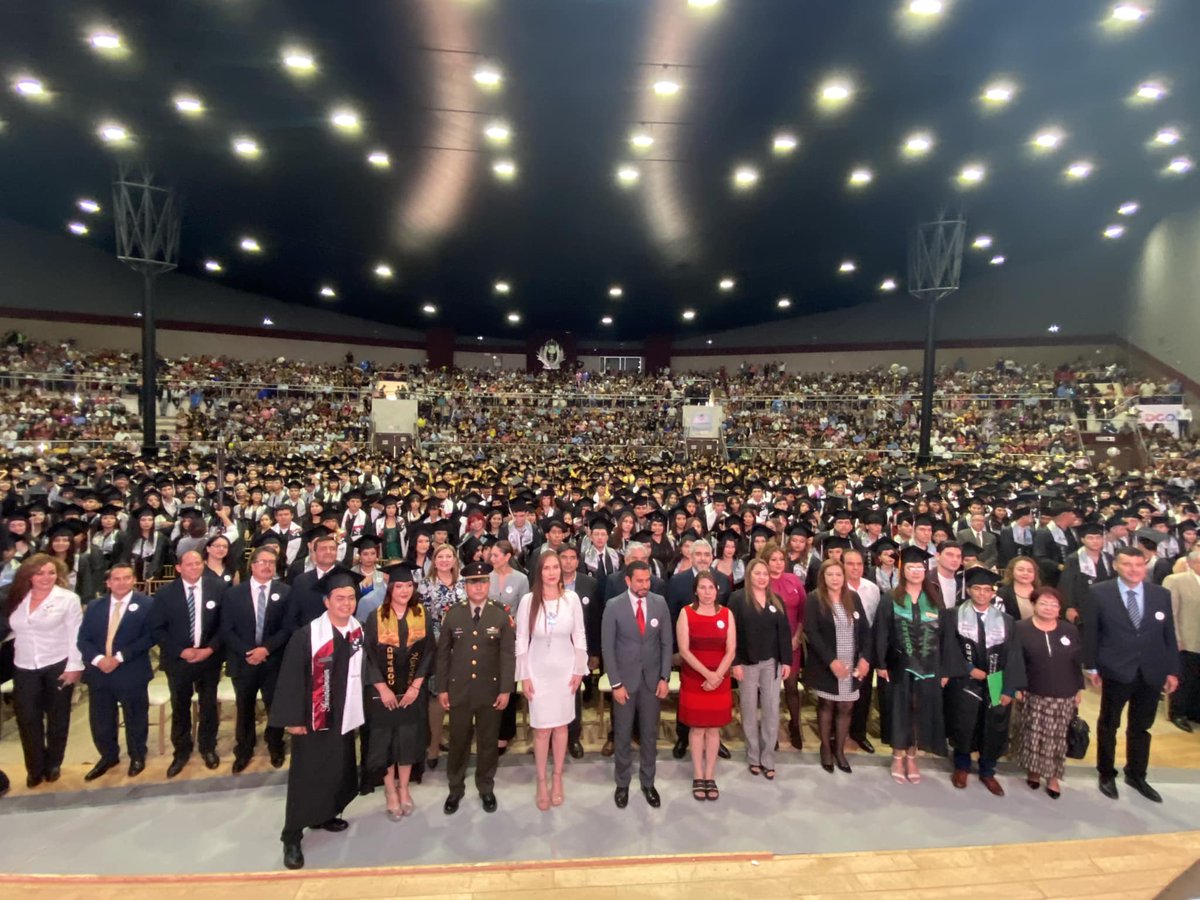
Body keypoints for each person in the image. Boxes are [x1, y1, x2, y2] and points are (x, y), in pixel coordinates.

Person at [270, 567, 366, 870]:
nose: (346, 604)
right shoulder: (308, 635)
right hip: (313, 717)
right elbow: (290, 678)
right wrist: (293, 718)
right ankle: (292, 835)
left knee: (337, 768)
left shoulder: (357, 631)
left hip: (343, 716)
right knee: (307, 774)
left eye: (351, 598)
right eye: (340, 598)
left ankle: (324, 814)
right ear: (326, 601)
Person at [1083, 545, 1181, 803]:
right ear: (1116, 565)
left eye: (1139, 565)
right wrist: (1091, 666)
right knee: (1109, 723)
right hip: (1116, 669)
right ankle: (1106, 773)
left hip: (1152, 670)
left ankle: (1136, 774)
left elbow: (1169, 635)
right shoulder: (1098, 592)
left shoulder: (1160, 594)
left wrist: (1172, 670)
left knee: (1141, 726)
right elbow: (1091, 632)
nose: (1134, 570)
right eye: (1127, 565)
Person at [436, 560, 514, 815]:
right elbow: (443, 655)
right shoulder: (453, 613)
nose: (478, 587)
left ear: (488, 584)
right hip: (459, 690)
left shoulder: (500, 614)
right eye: (472, 583)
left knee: (488, 741)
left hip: (490, 690)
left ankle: (485, 786)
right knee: (458, 740)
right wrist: (442, 688)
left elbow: (507, 655)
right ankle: (455, 787)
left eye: (482, 582)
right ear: (465, 586)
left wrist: (505, 689)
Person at [875, 546, 958, 785]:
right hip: (898, 665)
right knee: (900, 711)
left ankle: (913, 756)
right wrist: (880, 663)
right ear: (903, 570)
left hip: (930, 666)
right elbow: (881, 632)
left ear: (925, 570)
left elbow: (945, 638)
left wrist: (944, 670)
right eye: (911, 567)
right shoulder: (890, 598)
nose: (916, 571)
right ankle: (897, 755)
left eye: (920, 567)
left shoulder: (934, 599)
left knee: (920, 711)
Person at [514, 551, 588, 810]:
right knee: (542, 729)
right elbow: (521, 638)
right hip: (538, 671)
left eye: (555, 567)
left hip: (565, 671)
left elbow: (579, 634)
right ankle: (541, 780)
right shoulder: (527, 601)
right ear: (539, 572)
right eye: (547, 568)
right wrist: (524, 675)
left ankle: (557, 778)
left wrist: (580, 668)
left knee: (561, 727)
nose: (552, 572)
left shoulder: (572, 599)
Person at [945, 568, 1025, 796]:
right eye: (977, 589)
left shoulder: (1006, 621)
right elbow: (949, 648)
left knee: (994, 724)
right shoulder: (954, 615)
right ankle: (962, 766)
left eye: (986, 589)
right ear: (968, 590)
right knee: (964, 722)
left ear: (993, 593)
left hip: (996, 678)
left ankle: (988, 771)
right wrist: (969, 669)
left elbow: (1014, 656)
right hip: (965, 679)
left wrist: (1009, 687)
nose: (981, 593)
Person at [6, 554, 83, 787]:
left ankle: (53, 763)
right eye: (40, 573)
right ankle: (34, 767)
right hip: (24, 665)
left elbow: (76, 635)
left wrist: (75, 667)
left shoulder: (67, 599)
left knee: (58, 717)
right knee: (28, 718)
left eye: (51, 573)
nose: (46, 577)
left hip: (57, 663)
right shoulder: (16, 598)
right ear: (28, 575)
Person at [363, 564, 433, 820]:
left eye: (408, 585)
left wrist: (416, 686)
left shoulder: (421, 613)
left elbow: (429, 652)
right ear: (390, 588)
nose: (404, 590)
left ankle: (404, 788)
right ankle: (390, 790)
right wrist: (382, 688)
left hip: (412, 692)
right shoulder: (376, 616)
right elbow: (368, 655)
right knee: (385, 743)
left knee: (407, 740)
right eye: (399, 586)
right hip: (383, 694)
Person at [601, 560, 672, 810]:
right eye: (639, 581)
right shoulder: (613, 606)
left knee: (649, 735)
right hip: (624, 683)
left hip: (652, 682)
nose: (644, 585)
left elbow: (666, 644)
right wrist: (616, 683)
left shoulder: (659, 603)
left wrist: (665, 677)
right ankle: (622, 783)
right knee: (622, 734)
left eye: (647, 580)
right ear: (628, 581)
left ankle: (648, 782)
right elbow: (607, 648)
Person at [151, 549, 227, 777]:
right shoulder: (165, 594)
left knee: (208, 705)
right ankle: (181, 751)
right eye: (189, 564)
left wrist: (210, 649)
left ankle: (208, 747)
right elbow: (157, 629)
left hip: (208, 659)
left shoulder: (218, 589)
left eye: (198, 563)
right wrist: (181, 651)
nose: (194, 567)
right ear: (179, 568)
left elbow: (225, 624)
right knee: (180, 706)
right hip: (178, 661)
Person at [77, 562, 155, 780]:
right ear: (109, 582)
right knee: (101, 718)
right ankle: (108, 756)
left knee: (136, 716)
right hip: (99, 671)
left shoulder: (147, 604)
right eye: (117, 579)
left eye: (127, 578)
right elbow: (83, 639)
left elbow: (150, 637)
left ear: (133, 580)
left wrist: (119, 657)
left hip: (131, 669)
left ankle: (137, 755)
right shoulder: (95, 606)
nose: (122, 582)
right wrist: (99, 659)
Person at [221, 545, 294, 772]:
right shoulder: (233, 593)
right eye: (262, 562)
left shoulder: (285, 592)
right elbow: (226, 629)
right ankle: (244, 749)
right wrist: (249, 652)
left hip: (273, 661)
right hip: (243, 662)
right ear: (252, 566)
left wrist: (266, 650)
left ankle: (275, 745)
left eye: (271, 562)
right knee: (245, 707)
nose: (267, 566)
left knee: (275, 707)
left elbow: (287, 627)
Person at [665, 539, 732, 759]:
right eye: (698, 554)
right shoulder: (677, 581)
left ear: (712, 556)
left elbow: (726, 616)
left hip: (716, 653)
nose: (703, 558)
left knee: (712, 703)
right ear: (690, 556)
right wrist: (675, 650)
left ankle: (714, 740)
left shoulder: (721, 579)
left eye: (706, 554)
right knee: (688, 698)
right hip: (688, 653)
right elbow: (671, 616)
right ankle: (683, 737)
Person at [1015, 587, 1084, 799]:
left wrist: (1079, 687)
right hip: (1033, 690)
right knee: (1033, 734)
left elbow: (1076, 661)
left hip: (1065, 691)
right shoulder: (1020, 628)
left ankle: (1053, 776)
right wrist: (1017, 686)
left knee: (1057, 737)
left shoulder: (1069, 630)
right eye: (1043, 603)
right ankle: (1034, 771)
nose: (1048, 608)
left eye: (1054, 604)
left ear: (1059, 608)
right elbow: (1015, 662)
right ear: (1034, 605)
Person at [805, 559, 871, 775]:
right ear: (823, 577)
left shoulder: (852, 598)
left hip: (851, 663)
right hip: (827, 663)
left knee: (846, 707)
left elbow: (864, 631)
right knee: (827, 706)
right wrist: (831, 661)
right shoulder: (815, 599)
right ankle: (826, 748)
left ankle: (839, 750)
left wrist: (864, 659)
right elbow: (812, 633)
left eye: (838, 575)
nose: (835, 579)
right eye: (830, 575)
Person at [676, 571, 735, 801]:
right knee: (697, 728)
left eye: (711, 588)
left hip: (719, 680)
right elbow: (684, 650)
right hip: (695, 679)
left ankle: (710, 775)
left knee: (713, 729)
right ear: (696, 590)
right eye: (703, 588)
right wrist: (707, 675)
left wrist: (717, 675)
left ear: (717, 590)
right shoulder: (686, 613)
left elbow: (731, 650)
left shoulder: (727, 614)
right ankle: (698, 775)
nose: (707, 592)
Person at [729, 558, 791, 779]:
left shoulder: (777, 600)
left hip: (771, 664)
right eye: (758, 573)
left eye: (765, 574)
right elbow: (731, 633)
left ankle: (768, 757)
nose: (762, 577)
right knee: (748, 709)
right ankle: (753, 755)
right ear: (749, 575)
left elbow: (784, 633)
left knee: (771, 710)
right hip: (746, 663)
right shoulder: (737, 599)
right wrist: (734, 662)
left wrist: (787, 661)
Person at [763, 541, 806, 749]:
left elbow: (803, 612)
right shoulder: (761, 581)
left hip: (792, 642)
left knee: (791, 687)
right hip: (769, 644)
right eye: (774, 560)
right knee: (770, 690)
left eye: (781, 559)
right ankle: (772, 729)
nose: (778, 563)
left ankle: (795, 725)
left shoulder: (794, 580)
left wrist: (797, 637)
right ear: (765, 562)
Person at [843, 548, 882, 754]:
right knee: (840, 693)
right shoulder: (836, 587)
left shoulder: (872, 589)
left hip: (866, 649)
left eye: (859, 564)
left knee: (864, 694)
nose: (856, 568)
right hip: (843, 647)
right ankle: (837, 733)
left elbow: (875, 622)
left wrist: (868, 653)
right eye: (850, 564)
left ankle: (858, 733)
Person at [1163, 550, 1200, 731]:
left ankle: (1195, 712)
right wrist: (1174, 638)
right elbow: (1171, 613)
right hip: (1186, 639)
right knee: (1184, 678)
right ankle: (1178, 713)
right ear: (1192, 564)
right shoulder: (1176, 581)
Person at [1059, 523, 1114, 622]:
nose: (1095, 541)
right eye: (1090, 538)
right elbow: (1067, 585)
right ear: (1083, 540)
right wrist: (1069, 607)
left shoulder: (1108, 558)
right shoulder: (1074, 559)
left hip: (1105, 605)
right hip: (1081, 606)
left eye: (1098, 538)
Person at [996, 556, 1041, 621]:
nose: (1025, 573)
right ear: (1012, 571)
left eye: (1030, 571)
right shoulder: (1003, 593)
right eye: (1020, 570)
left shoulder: (1042, 592)